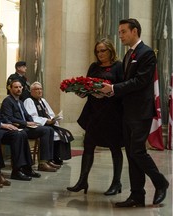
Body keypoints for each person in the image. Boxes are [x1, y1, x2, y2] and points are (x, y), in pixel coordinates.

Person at [100, 18, 169, 207]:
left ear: (135, 31)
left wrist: (113, 88)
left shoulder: (147, 53)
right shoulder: (128, 54)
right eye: (120, 31)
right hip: (127, 112)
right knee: (131, 153)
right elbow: (124, 84)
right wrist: (105, 91)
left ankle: (160, 182)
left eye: (123, 31)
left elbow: (140, 82)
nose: (120, 35)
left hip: (141, 112)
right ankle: (137, 195)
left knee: (138, 151)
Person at [66, 38, 124, 196]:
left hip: (112, 113)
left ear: (110, 50)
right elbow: (87, 85)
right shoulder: (93, 66)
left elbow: (121, 89)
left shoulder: (119, 66)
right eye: (97, 51)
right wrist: (81, 92)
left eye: (103, 50)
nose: (100, 54)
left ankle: (116, 182)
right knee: (88, 145)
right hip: (94, 112)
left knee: (115, 147)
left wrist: (107, 92)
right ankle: (82, 180)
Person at [1, 80, 60, 172]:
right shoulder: (7, 101)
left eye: (20, 87)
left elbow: (27, 115)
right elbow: (8, 118)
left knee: (49, 129)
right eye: (16, 87)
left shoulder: (19, 101)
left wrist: (32, 122)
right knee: (45, 130)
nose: (18, 89)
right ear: (10, 88)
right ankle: (42, 163)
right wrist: (26, 123)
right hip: (18, 128)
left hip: (26, 127)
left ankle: (48, 160)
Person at [24, 81, 73, 165]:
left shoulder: (43, 101)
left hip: (48, 124)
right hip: (38, 126)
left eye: (40, 89)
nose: (39, 91)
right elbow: (31, 117)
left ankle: (57, 157)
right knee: (53, 133)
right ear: (31, 91)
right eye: (37, 89)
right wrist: (46, 121)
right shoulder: (29, 101)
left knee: (64, 132)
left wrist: (53, 119)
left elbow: (50, 113)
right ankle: (51, 158)